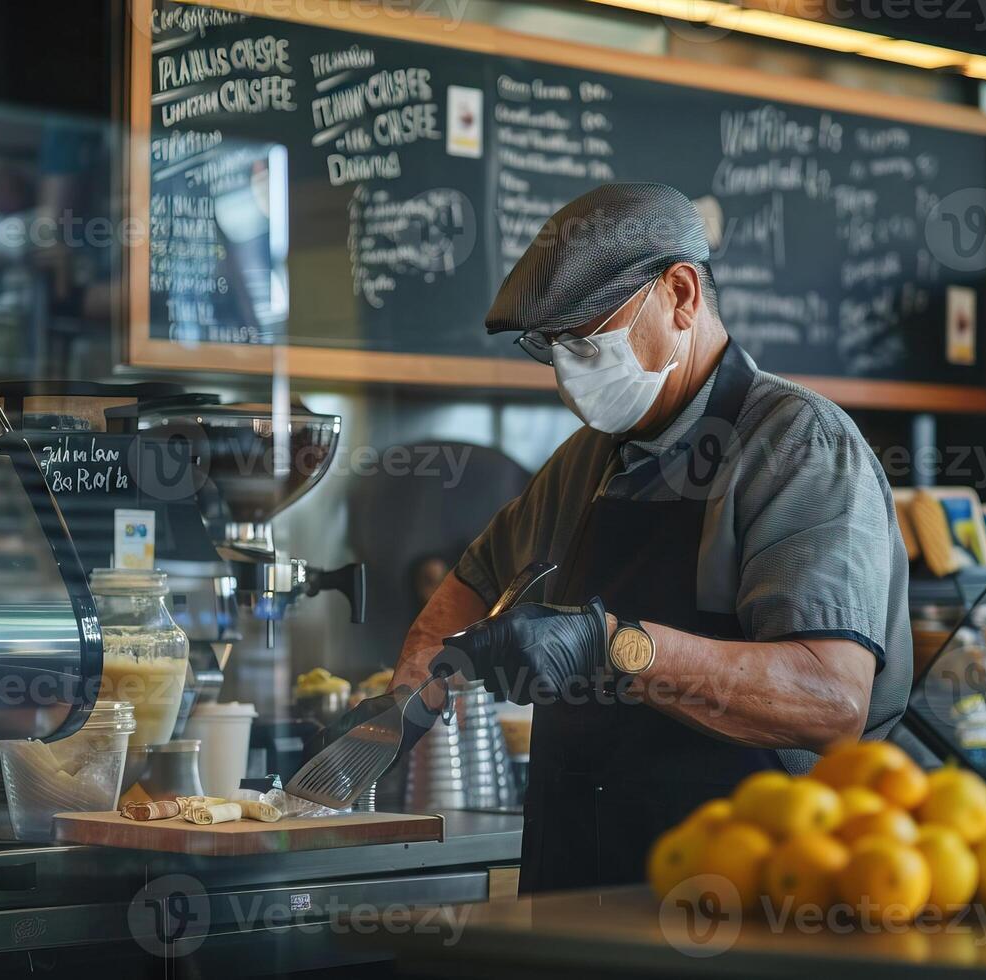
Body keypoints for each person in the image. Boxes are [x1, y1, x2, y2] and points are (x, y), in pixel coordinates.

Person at [389, 182, 912, 893]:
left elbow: (830, 699)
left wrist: (610, 646)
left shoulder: (795, 447)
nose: (572, 368)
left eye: (589, 338)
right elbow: (468, 589)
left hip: (753, 900)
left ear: (682, 295)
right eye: (556, 347)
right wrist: (412, 691)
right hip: (578, 892)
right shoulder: (587, 461)